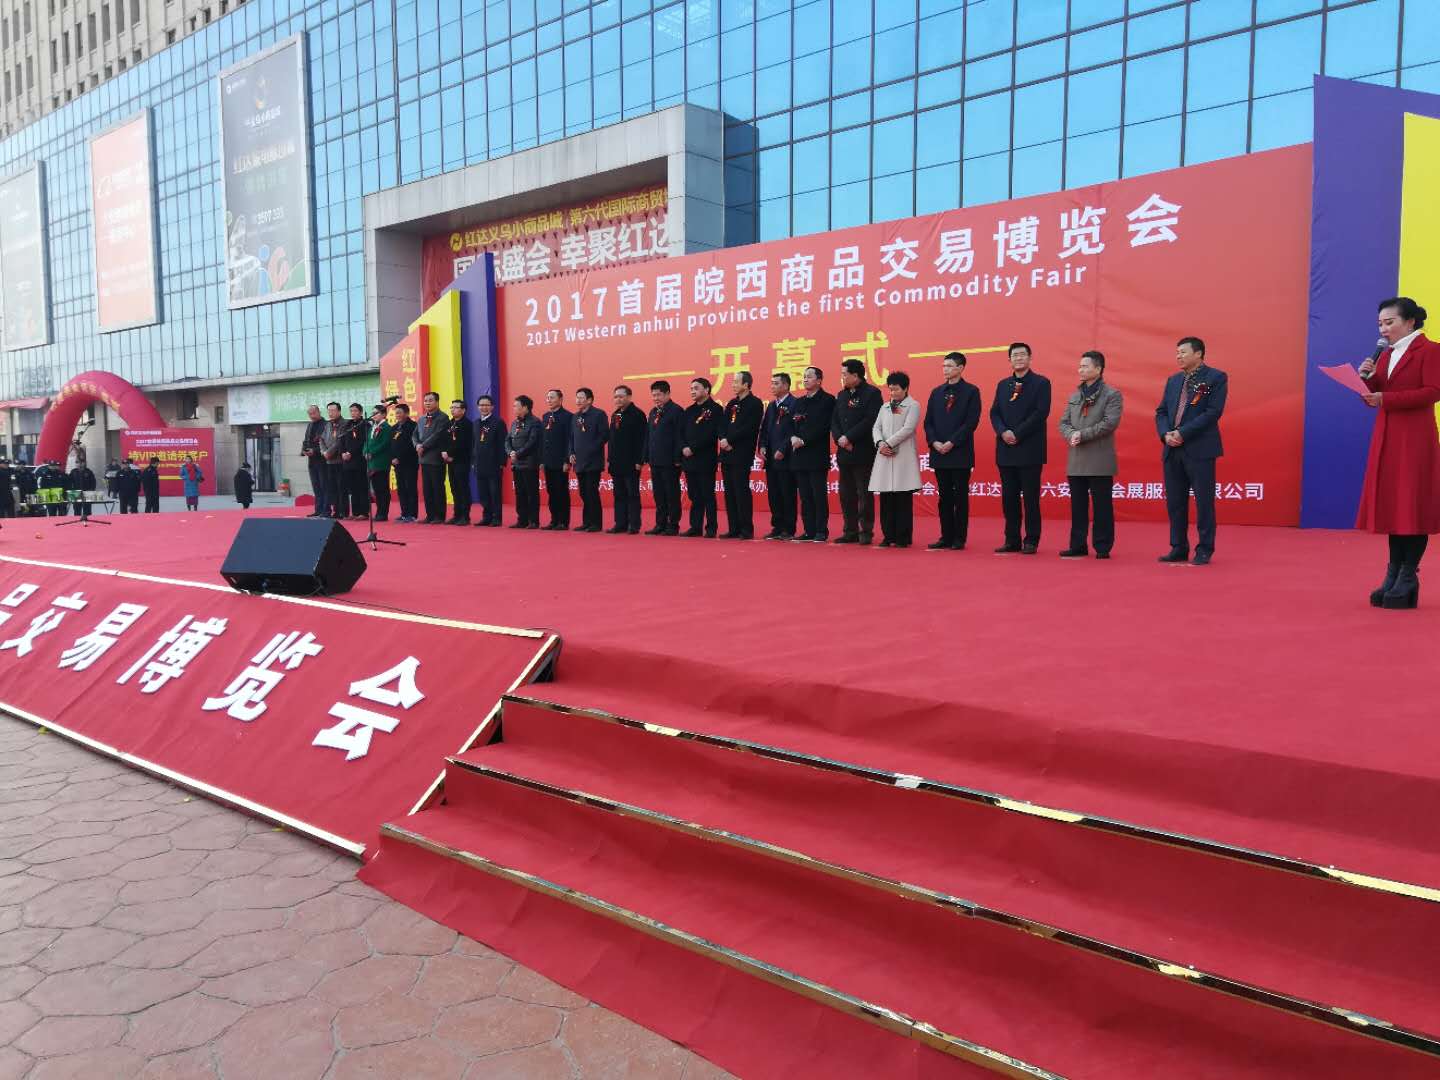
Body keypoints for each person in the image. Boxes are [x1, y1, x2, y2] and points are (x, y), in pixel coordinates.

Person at [1357, 297, 1440, 608]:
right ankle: (1393, 573)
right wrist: (1368, 381)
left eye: (1389, 322)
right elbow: (1382, 392)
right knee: (1396, 506)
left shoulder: (1430, 350)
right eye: (1380, 323)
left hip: (1415, 437)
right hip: (1387, 435)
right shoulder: (1386, 354)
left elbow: (1434, 391)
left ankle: (1407, 575)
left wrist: (1385, 399)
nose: (1383, 329)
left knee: (1412, 505)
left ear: (1410, 322)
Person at [1156, 336, 1227, 566]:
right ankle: (1178, 547)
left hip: (1200, 449)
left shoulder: (1216, 377)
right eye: (1177, 353)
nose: (1179, 356)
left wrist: (1182, 433)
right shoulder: (1174, 380)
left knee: (1204, 502)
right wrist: (1166, 434)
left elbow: (1213, 412)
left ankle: (1204, 548)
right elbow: (1161, 412)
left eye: (1183, 352)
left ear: (1198, 354)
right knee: (1175, 502)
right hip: (1172, 449)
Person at [1057, 351, 1124, 559]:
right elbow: (1063, 422)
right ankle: (1078, 545)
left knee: (1102, 506)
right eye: (1080, 366)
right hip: (1076, 458)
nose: (1081, 369)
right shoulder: (1075, 395)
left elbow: (1109, 423)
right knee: (1078, 506)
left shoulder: (1112, 395)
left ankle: (1102, 546)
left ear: (1098, 369)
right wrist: (1070, 434)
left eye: (1085, 366)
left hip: (1100, 459)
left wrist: (1082, 434)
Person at [991, 342, 1051, 554]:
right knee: (1009, 498)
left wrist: (1017, 433)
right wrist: (1003, 431)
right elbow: (995, 413)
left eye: (1022, 354)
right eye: (1014, 355)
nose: (1018, 358)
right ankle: (1012, 539)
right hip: (1006, 450)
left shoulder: (1041, 383)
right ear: (1009, 360)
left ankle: (1031, 540)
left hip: (1029, 450)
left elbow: (1040, 413)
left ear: (1030, 358)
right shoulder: (1003, 384)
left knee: (1031, 499)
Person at [924, 352, 982, 551]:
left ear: (960, 368)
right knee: (944, 497)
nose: (945, 369)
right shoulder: (936, 392)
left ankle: (959, 538)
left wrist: (951, 442)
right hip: (939, 452)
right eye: (944, 366)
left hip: (960, 453)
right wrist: (934, 442)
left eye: (949, 366)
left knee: (960, 497)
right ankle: (946, 536)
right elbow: (928, 422)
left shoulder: (971, 391)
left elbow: (971, 422)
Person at [830, 359, 883, 545]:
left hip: (862, 451)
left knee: (864, 494)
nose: (842, 377)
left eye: (845, 374)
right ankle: (849, 531)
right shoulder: (841, 395)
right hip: (844, 452)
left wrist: (850, 437)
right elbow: (834, 421)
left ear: (855, 375)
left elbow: (871, 420)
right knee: (846, 494)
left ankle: (866, 531)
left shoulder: (872, 393)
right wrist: (840, 439)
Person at [870, 372, 922, 548]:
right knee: (886, 499)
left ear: (905, 388)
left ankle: (902, 537)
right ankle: (888, 535)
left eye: (896, 389)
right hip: (884, 454)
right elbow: (876, 427)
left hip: (902, 456)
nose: (892, 393)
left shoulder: (913, 405)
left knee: (902, 498)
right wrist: (880, 443)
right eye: (890, 389)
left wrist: (889, 443)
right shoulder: (885, 406)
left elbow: (908, 428)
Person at [789, 366, 836, 542]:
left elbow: (824, 426)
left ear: (819, 381)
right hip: (799, 456)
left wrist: (804, 440)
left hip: (816, 454)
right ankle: (808, 530)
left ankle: (821, 530)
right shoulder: (799, 402)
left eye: (809, 376)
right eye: (804, 376)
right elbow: (791, 424)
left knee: (818, 495)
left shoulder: (828, 400)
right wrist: (793, 437)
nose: (805, 379)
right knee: (805, 496)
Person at [719, 371, 763, 539]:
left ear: (746, 384)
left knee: (741, 490)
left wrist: (730, 440)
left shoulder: (755, 403)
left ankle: (746, 529)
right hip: (726, 453)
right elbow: (722, 424)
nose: (733, 384)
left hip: (742, 453)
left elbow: (750, 428)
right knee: (729, 492)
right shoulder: (731, 403)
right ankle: (733, 528)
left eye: (736, 382)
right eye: (733, 381)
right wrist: (723, 438)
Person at [681, 377, 721, 538]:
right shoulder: (689, 411)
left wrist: (693, 448)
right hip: (689, 459)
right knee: (694, 495)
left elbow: (712, 434)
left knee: (707, 495)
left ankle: (711, 527)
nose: (692, 391)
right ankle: (695, 526)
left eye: (696, 388)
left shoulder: (716, 409)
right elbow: (681, 433)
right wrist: (684, 447)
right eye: (691, 388)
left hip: (705, 459)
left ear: (706, 390)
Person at [760, 373, 797, 540]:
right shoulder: (771, 406)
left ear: (786, 386)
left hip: (786, 457)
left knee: (787, 493)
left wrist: (783, 448)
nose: (772, 386)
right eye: (772, 383)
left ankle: (788, 529)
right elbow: (764, 429)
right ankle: (777, 526)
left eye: (776, 383)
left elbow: (794, 430)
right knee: (774, 494)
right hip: (771, 458)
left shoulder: (794, 403)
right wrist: (762, 446)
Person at [645, 380, 685, 535]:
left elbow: (679, 436)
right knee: (659, 494)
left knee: (671, 494)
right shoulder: (653, 412)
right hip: (655, 460)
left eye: (659, 395)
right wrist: (647, 456)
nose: (656, 398)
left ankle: (673, 525)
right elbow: (649, 436)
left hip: (670, 461)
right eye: (653, 395)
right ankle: (660, 524)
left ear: (668, 393)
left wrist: (677, 458)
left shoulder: (676, 411)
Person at [568, 387, 609, 532]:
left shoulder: (599, 414)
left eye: (581, 398)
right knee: (583, 493)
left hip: (593, 461)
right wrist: (571, 452)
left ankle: (596, 523)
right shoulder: (575, 416)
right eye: (577, 397)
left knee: (591, 492)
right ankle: (587, 522)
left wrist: (589, 450)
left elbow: (604, 435)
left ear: (590, 400)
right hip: (579, 461)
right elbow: (571, 437)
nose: (578, 400)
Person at [607, 385, 646, 534]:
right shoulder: (615, 414)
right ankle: (620, 523)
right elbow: (612, 439)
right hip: (616, 462)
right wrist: (610, 459)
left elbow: (641, 440)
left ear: (629, 397)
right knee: (619, 495)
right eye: (615, 397)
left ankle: (634, 524)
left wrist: (639, 460)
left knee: (632, 494)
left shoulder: (637, 414)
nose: (618, 399)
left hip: (631, 462)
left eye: (621, 396)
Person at [506, 395, 542, 528]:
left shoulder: (535, 422)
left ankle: (533, 521)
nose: (514, 408)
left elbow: (532, 442)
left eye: (516, 406)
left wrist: (518, 453)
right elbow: (507, 440)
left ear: (525, 407)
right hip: (516, 464)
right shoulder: (514, 423)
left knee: (531, 493)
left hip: (529, 463)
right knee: (519, 493)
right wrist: (510, 452)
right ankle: (522, 520)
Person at [539, 390, 573, 530]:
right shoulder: (545, 416)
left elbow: (569, 440)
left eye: (552, 397)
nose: (549, 400)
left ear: (560, 399)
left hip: (561, 461)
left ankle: (563, 521)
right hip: (548, 461)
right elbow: (543, 440)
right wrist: (542, 460)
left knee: (561, 492)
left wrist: (567, 460)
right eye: (547, 398)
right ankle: (554, 520)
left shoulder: (568, 416)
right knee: (551, 492)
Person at [472, 395, 508, 527]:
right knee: (483, 492)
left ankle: (496, 518)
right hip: (479, 464)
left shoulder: (498, 422)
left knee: (495, 492)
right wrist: (473, 461)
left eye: (487, 405)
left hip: (494, 464)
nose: (484, 407)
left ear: (492, 407)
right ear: (478, 407)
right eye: (481, 405)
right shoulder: (476, 423)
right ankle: (486, 517)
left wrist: (502, 462)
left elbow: (503, 443)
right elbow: (473, 444)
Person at [415, 392, 449, 524]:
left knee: (437, 487)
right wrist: (417, 445)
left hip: (436, 458)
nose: (427, 403)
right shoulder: (421, 419)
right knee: (427, 489)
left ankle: (439, 516)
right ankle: (430, 515)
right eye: (425, 401)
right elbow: (414, 435)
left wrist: (423, 446)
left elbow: (437, 435)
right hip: (423, 458)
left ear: (437, 402)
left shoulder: (443, 417)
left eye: (430, 400)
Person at [442, 399, 473, 525]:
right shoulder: (450, 423)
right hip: (450, 461)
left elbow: (464, 443)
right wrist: (445, 453)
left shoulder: (467, 424)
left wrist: (451, 454)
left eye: (456, 407)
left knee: (462, 488)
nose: (453, 410)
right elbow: (445, 440)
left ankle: (465, 516)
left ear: (463, 410)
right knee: (454, 488)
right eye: (451, 407)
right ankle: (457, 514)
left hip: (461, 460)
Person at [339, 403, 369, 519]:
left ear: (360, 412)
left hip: (359, 460)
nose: (353, 413)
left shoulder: (365, 424)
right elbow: (341, 440)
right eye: (351, 411)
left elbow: (362, 442)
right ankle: (356, 512)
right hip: (347, 462)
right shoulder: (348, 424)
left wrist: (351, 453)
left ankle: (364, 512)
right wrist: (343, 452)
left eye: (355, 411)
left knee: (362, 486)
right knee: (353, 488)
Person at [390, 402, 420, 523]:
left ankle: (412, 514)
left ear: (407, 413)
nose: (397, 415)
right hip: (397, 464)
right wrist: (392, 458)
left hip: (409, 462)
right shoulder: (394, 428)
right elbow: (391, 445)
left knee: (410, 488)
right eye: (396, 413)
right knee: (401, 489)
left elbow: (410, 445)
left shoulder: (413, 426)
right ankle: (404, 513)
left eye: (399, 413)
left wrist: (399, 458)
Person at [364, 404, 394, 522]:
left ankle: (383, 513)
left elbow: (385, 443)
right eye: (373, 413)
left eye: (376, 413)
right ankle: (378, 512)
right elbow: (366, 442)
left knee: (382, 489)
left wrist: (372, 452)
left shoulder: (386, 427)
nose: (374, 415)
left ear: (384, 414)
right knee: (376, 489)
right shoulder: (372, 427)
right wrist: (365, 451)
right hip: (371, 462)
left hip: (381, 461)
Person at [318, 401, 347, 518]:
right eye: (329, 411)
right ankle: (335, 511)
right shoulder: (328, 424)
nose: (330, 413)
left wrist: (329, 452)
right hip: (329, 461)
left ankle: (343, 511)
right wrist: (323, 451)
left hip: (340, 461)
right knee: (332, 488)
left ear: (339, 411)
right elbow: (321, 439)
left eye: (333, 410)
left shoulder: (345, 424)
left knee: (341, 487)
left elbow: (339, 441)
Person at [301, 403, 329, 518]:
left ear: (319, 412)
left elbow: (327, 443)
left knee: (324, 486)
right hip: (311, 460)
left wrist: (315, 451)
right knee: (316, 486)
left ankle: (326, 510)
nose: (312, 416)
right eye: (310, 414)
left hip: (322, 460)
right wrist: (304, 450)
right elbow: (306, 441)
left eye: (313, 413)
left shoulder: (326, 425)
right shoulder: (310, 425)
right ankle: (318, 509)